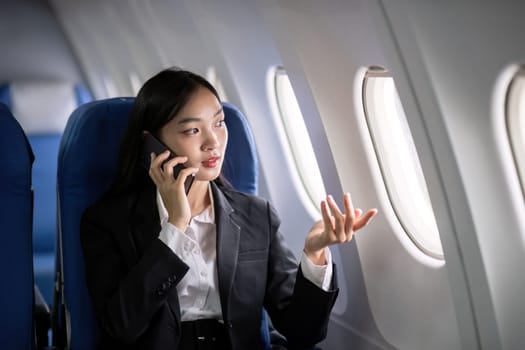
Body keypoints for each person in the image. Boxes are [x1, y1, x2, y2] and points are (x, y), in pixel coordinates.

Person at [80, 68, 377, 350]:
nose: (214, 142)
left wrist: (314, 255)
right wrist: (175, 228)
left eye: (219, 123)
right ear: (152, 144)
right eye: (193, 130)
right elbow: (121, 326)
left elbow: (303, 333)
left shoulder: (256, 216)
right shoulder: (108, 221)